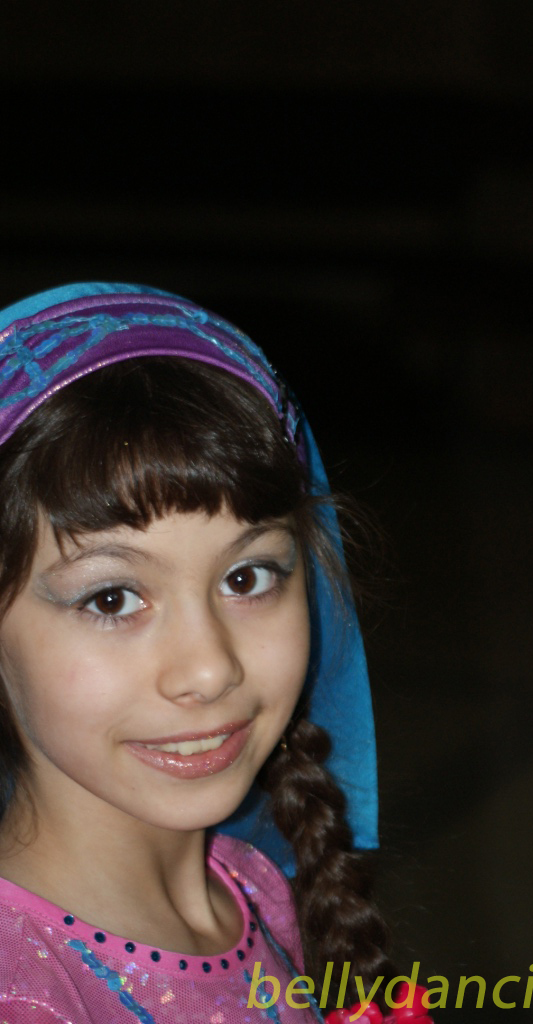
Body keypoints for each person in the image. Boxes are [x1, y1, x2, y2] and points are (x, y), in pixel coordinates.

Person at [0, 284, 430, 1024]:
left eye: (247, 577)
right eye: (112, 599)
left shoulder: (253, 886)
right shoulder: (26, 993)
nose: (209, 669)